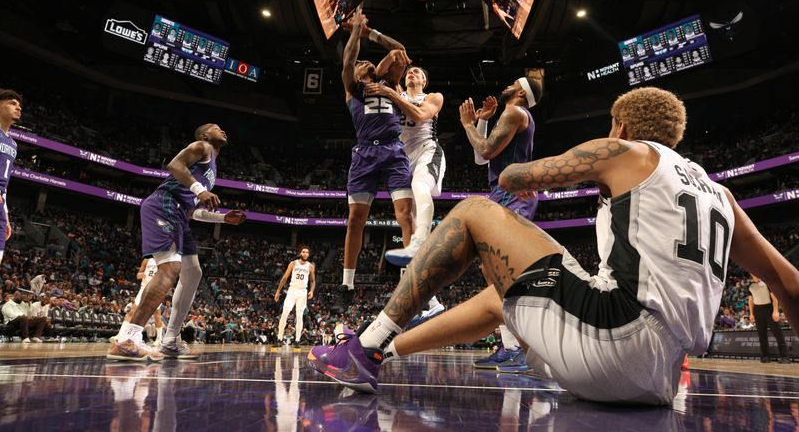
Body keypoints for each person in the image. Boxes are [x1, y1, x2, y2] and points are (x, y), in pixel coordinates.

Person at [309, 86, 799, 404]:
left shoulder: (624, 151)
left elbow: (512, 173)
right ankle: (378, 354)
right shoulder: (722, 196)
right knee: (505, 295)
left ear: (621, 128)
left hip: (613, 337)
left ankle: (367, 341)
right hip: (663, 376)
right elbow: (785, 280)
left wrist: (521, 170)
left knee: (475, 211)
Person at [106, 124, 246, 361]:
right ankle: (127, 339)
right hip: (163, 205)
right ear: (204, 135)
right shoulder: (202, 147)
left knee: (193, 273)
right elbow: (174, 165)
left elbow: (192, 212)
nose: (222, 130)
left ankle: (170, 341)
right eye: (215, 127)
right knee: (170, 269)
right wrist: (200, 189)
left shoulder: (212, 168)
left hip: (180, 214)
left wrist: (223, 219)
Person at [331, 8, 414, 314]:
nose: (364, 64)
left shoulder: (390, 85)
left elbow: (400, 52)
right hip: (365, 153)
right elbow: (349, 60)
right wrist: (354, 31)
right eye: (360, 65)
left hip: (393, 152)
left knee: (405, 215)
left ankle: (408, 275)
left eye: (369, 63)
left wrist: (372, 34)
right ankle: (348, 283)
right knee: (355, 220)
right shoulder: (352, 89)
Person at [460, 69, 543, 372]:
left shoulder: (515, 111)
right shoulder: (510, 114)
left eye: (513, 83)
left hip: (515, 193)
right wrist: (481, 120)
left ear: (521, 91)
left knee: (503, 268)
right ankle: (510, 346)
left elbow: (483, 148)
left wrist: (468, 124)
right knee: (489, 267)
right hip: (503, 192)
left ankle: (526, 347)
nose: (507, 84)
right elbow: (481, 159)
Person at [369, 65, 446, 324]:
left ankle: (419, 242)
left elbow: (421, 115)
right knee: (406, 223)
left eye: (417, 72)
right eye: (409, 71)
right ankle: (433, 303)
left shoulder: (433, 96)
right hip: (403, 159)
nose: (412, 73)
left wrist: (392, 95)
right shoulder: (397, 93)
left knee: (421, 188)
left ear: (424, 79)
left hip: (428, 150)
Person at [112, 258, 165, 346]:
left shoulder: (163, 261)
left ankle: (159, 339)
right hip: (144, 288)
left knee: (156, 315)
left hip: (156, 289)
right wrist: (141, 274)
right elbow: (138, 275)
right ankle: (120, 335)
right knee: (132, 311)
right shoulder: (147, 260)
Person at [274, 246, 316, 346]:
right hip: (292, 290)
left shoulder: (310, 266)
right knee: (284, 313)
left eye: (307, 252)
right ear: (300, 253)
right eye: (304, 252)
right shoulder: (293, 263)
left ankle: (297, 340)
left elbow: (313, 281)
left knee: (300, 316)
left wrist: (312, 290)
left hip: (302, 292)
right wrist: (278, 291)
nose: (305, 254)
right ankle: (279, 338)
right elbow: (284, 278)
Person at [0, 89, 21, 270]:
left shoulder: (13, 144)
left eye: (19, 105)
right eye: (12, 103)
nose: (18, 107)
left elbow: (4, 185)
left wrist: (5, 217)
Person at [748, 274, 790, 363]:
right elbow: (750, 301)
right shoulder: (750, 286)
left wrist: (775, 311)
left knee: (777, 333)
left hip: (768, 309)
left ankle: (785, 357)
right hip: (757, 310)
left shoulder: (767, 283)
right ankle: (765, 356)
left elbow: (774, 298)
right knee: (761, 335)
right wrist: (751, 314)